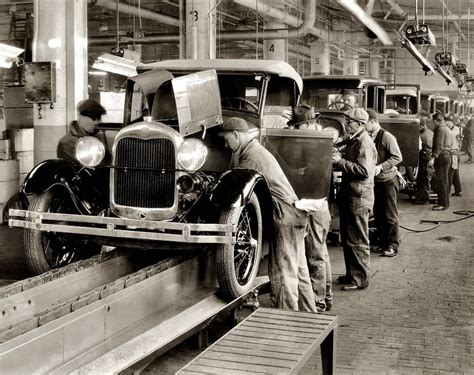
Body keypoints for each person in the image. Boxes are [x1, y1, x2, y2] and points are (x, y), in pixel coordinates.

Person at [217, 117, 317, 312]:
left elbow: (234, 192)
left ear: (236, 135)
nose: (225, 144)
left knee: (282, 274)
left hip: (285, 216)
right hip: (296, 213)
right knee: (299, 271)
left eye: (226, 138)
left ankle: (285, 323)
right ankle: (310, 316)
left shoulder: (250, 159)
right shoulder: (255, 150)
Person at [287, 104, 333, 312]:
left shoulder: (318, 143)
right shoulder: (317, 139)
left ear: (307, 123)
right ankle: (326, 296)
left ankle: (318, 301)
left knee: (315, 255)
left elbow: (312, 174)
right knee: (321, 252)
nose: (295, 131)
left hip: (315, 204)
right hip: (317, 203)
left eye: (297, 126)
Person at [332, 108, 377, 291]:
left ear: (359, 124)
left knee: (357, 239)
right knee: (350, 238)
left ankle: (359, 279)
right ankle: (352, 274)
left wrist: (339, 162)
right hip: (352, 195)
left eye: (349, 122)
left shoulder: (364, 143)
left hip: (359, 197)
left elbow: (365, 171)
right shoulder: (355, 140)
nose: (346, 125)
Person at [365, 109, 403, 257]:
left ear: (373, 122)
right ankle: (383, 243)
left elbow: (397, 157)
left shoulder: (387, 137)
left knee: (390, 215)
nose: (364, 127)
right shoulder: (369, 136)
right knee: (379, 214)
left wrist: (381, 167)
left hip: (388, 181)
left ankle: (393, 245)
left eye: (365, 123)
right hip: (376, 182)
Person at [428, 113, 453, 211]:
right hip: (447, 155)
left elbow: (438, 145)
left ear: (435, 121)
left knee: (441, 181)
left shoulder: (440, 129)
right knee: (444, 180)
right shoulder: (446, 128)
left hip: (441, 156)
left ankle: (442, 204)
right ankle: (445, 203)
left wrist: (433, 158)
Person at [415, 117, 434, 204]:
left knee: (423, 177)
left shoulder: (422, 136)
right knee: (425, 177)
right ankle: (422, 197)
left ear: (422, 126)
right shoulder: (430, 132)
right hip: (428, 156)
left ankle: (424, 199)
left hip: (425, 157)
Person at [446, 115, 462, 197]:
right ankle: (458, 191)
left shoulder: (455, 129)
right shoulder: (451, 128)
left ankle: (447, 192)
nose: (445, 123)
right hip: (454, 153)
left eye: (446, 122)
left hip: (454, 154)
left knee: (450, 173)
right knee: (455, 173)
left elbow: (450, 135)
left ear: (450, 122)